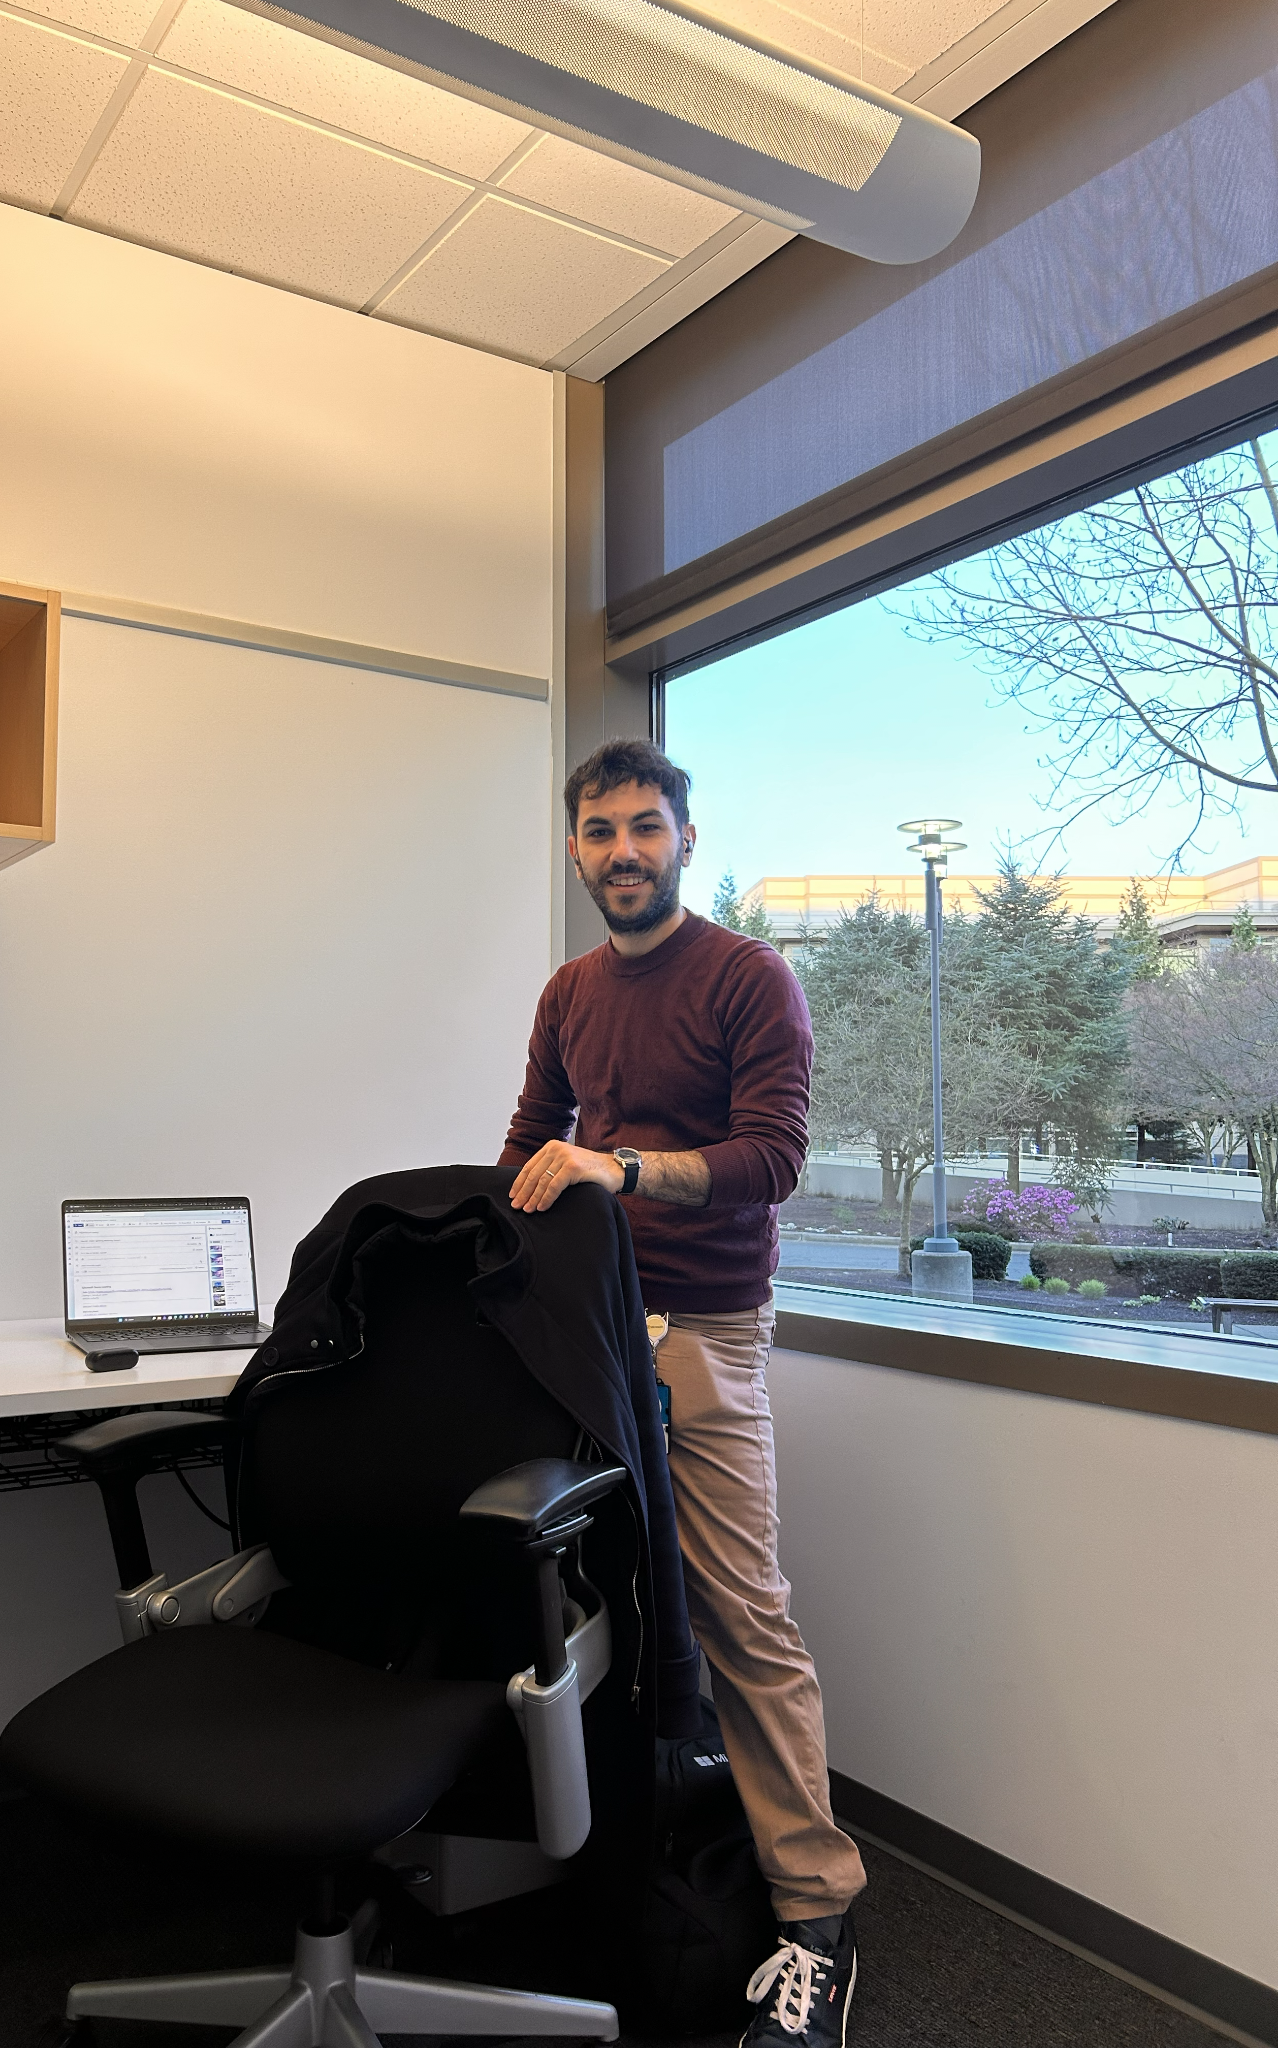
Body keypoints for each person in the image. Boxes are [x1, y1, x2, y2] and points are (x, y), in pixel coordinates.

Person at [499, 738, 866, 2047]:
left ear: (685, 840)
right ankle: (618, 1866)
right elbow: (529, 1146)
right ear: (574, 850)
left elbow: (773, 1158)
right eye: (599, 833)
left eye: (645, 828)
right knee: (573, 1591)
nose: (623, 853)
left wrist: (623, 1173)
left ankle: (816, 1915)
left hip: (706, 1329)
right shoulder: (568, 992)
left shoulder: (748, 978)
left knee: (742, 1613)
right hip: (586, 1327)